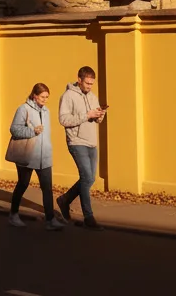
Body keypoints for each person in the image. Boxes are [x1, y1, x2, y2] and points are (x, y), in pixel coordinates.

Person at [7, 83, 68, 230]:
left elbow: (46, 135)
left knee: (47, 188)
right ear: (34, 96)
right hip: (27, 155)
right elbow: (14, 129)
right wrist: (32, 131)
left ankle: (50, 220)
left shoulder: (46, 111)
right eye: (42, 97)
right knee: (23, 184)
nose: (45, 100)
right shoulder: (23, 109)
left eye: (47, 97)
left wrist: (48, 150)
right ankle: (13, 215)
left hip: (44, 156)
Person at [57, 66, 105, 230]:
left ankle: (64, 200)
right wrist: (87, 115)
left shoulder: (93, 96)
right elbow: (63, 120)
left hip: (91, 142)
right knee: (86, 177)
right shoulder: (68, 96)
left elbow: (96, 120)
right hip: (76, 141)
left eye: (92, 83)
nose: (90, 87)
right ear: (79, 80)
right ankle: (88, 217)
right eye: (87, 83)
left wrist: (99, 115)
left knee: (90, 179)